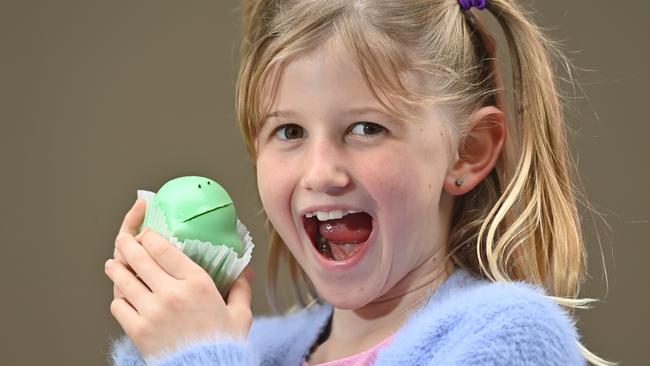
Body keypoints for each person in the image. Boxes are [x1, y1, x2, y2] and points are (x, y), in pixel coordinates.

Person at [105, 0, 613, 365]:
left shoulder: (510, 335)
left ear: (468, 151)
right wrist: (155, 344)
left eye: (367, 128)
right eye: (290, 131)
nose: (321, 172)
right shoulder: (249, 349)